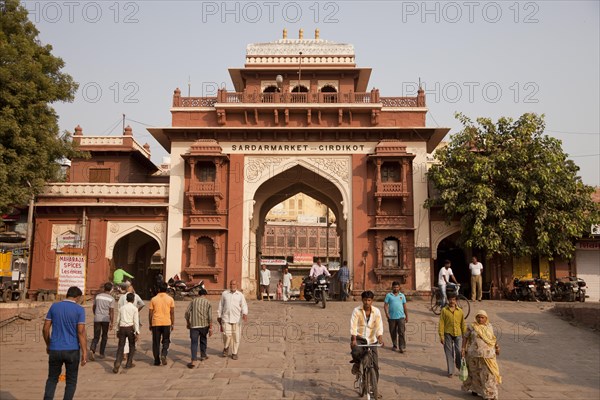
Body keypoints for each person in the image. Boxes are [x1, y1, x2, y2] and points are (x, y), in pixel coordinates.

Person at [42, 286, 87, 400]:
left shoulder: (54, 307)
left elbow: (45, 329)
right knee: (71, 381)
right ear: (77, 297)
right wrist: (84, 352)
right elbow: (81, 332)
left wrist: (48, 344)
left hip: (55, 349)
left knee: (52, 378)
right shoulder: (79, 310)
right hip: (72, 350)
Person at [461, 310, 502, 399]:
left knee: (488, 375)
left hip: (488, 355)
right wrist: (463, 348)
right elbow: (465, 337)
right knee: (475, 373)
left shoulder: (489, 326)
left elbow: (493, 338)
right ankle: (475, 390)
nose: (480, 319)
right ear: (476, 318)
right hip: (473, 354)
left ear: (486, 318)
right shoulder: (472, 327)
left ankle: (489, 394)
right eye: (479, 317)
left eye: (482, 317)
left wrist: (497, 348)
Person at [350, 291, 384, 380]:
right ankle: (357, 364)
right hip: (359, 338)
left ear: (372, 301)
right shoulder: (356, 310)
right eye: (365, 300)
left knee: (375, 365)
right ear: (362, 300)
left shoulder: (376, 311)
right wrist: (353, 339)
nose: (367, 302)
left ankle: (374, 389)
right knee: (356, 351)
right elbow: (353, 326)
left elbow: (379, 325)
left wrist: (380, 337)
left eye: (369, 300)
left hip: (372, 340)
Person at [217, 280, 248, 360]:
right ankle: (226, 347)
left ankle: (234, 353)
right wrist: (219, 315)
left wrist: (244, 313)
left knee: (236, 337)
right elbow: (221, 305)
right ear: (229, 285)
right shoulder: (225, 294)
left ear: (236, 285)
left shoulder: (240, 295)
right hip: (226, 318)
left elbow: (244, 305)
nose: (232, 285)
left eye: (234, 284)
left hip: (237, 319)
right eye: (231, 284)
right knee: (227, 335)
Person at [438, 294, 467, 378]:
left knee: (458, 351)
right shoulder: (444, 310)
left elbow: (463, 324)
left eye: (453, 299)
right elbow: (441, 323)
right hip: (447, 333)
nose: (452, 301)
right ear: (448, 300)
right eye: (450, 299)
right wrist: (441, 336)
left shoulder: (460, 311)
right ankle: (450, 371)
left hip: (458, 334)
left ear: (456, 301)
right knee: (448, 352)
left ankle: (458, 366)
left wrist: (465, 335)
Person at [185, 288, 213, 368]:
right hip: (204, 325)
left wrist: (188, 322)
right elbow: (210, 316)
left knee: (194, 343)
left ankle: (193, 361)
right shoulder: (208, 302)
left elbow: (187, 312)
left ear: (198, 294)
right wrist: (210, 328)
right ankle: (203, 355)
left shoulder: (193, 301)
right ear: (205, 295)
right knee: (203, 339)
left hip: (194, 325)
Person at [148, 282, 175, 366]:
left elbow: (150, 313)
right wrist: (172, 323)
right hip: (167, 322)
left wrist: (150, 324)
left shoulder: (153, 299)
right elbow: (172, 313)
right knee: (166, 340)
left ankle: (156, 360)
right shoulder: (170, 299)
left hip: (156, 322)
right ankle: (163, 354)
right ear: (166, 289)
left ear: (158, 289)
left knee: (156, 342)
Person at [113, 292, 140, 373]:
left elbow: (118, 320)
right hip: (130, 328)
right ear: (133, 299)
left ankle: (118, 361)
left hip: (122, 328)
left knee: (121, 346)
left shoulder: (122, 308)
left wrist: (117, 329)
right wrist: (137, 332)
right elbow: (136, 321)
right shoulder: (135, 308)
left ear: (126, 299)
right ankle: (129, 363)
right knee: (132, 345)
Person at [118, 285, 145, 363]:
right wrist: (137, 332)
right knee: (132, 342)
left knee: (123, 342)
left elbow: (119, 308)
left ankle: (123, 355)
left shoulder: (122, 297)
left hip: (123, 322)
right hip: (131, 322)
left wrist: (117, 328)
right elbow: (142, 304)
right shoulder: (136, 297)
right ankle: (129, 361)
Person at [89, 282, 115, 361]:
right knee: (104, 336)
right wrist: (112, 322)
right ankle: (101, 353)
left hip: (97, 318)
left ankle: (92, 349)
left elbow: (94, 307)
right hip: (105, 319)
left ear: (104, 288)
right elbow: (111, 311)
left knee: (96, 336)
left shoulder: (98, 296)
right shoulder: (111, 299)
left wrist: (96, 314)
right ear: (110, 289)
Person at [384, 281, 408, 353]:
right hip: (391, 317)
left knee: (401, 332)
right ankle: (394, 345)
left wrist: (407, 316)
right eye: (394, 287)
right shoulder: (389, 295)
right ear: (392, 287)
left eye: (397, 287)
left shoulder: (402, 296)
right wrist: (386, 314)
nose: (396, 288)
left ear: (399, 287)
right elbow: (385, 305)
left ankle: (402, 347)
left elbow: (405, 306)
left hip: (401, 317)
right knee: (393, 332)